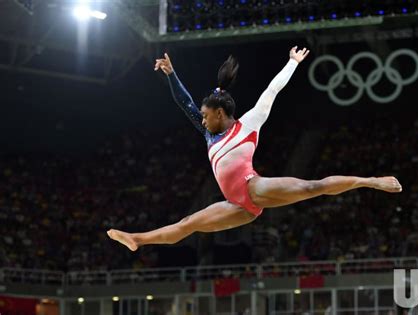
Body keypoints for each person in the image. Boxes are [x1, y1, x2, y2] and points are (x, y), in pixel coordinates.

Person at [107, 46, 402, 251]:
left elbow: (272, 91)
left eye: (206, 115)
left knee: (314, 187)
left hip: (252, 189)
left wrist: (293, 63)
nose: (202, 119)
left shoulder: (247, 125)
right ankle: (137, 239)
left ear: (220, 114)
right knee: (187, 224)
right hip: (237, 207)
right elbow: (184, 104)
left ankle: (371, 181)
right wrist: (171, 74)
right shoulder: (209, 134)